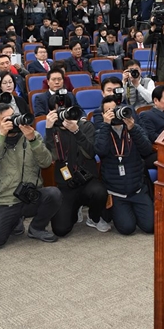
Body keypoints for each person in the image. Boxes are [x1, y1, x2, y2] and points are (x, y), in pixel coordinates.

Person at [0, 104, 61, 249]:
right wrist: (2, 135)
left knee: (54, 194)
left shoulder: (33, 136)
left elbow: (46, 163)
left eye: (14, 117)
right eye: (7, 119)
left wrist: (32, 140)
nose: (12, 121)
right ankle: (15, 221)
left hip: (31, 196)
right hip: (7, 199)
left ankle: (37, 228)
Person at [45, 94, 110, 235]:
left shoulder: (85, 126)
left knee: (99, 192)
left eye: (65, 110)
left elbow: (91, 153)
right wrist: (49, 130)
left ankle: (94, 218)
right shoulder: (52, 131)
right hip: (65, 183)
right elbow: (51, 157)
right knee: (60, 230)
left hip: (87, 180)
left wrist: (76, 132)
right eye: (58, 111)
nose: (62, 115)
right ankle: (75, 209)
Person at [94, 95, 154, 235]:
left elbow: (146, 150)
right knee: (127, 228)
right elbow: (100, 151)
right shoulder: (101, 132)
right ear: (103, 115)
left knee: (150, 227)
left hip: (137, 190)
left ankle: (137, 210)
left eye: (115, 110)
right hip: (116, 193)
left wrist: (132, 128)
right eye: (109, 111)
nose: (113, 114)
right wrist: (105, 125)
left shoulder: (134, 129)